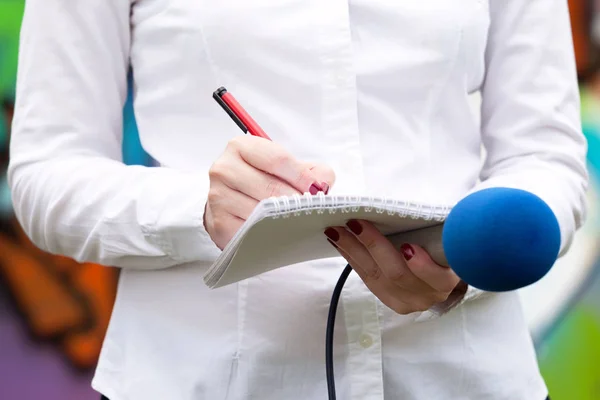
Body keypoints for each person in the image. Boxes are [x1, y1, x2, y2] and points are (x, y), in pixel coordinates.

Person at [8, 0, 587, 399]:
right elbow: (46, 176)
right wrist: (200, 210)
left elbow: (546, 158)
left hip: (461, 378)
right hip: (201, 380)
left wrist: (470, 257)